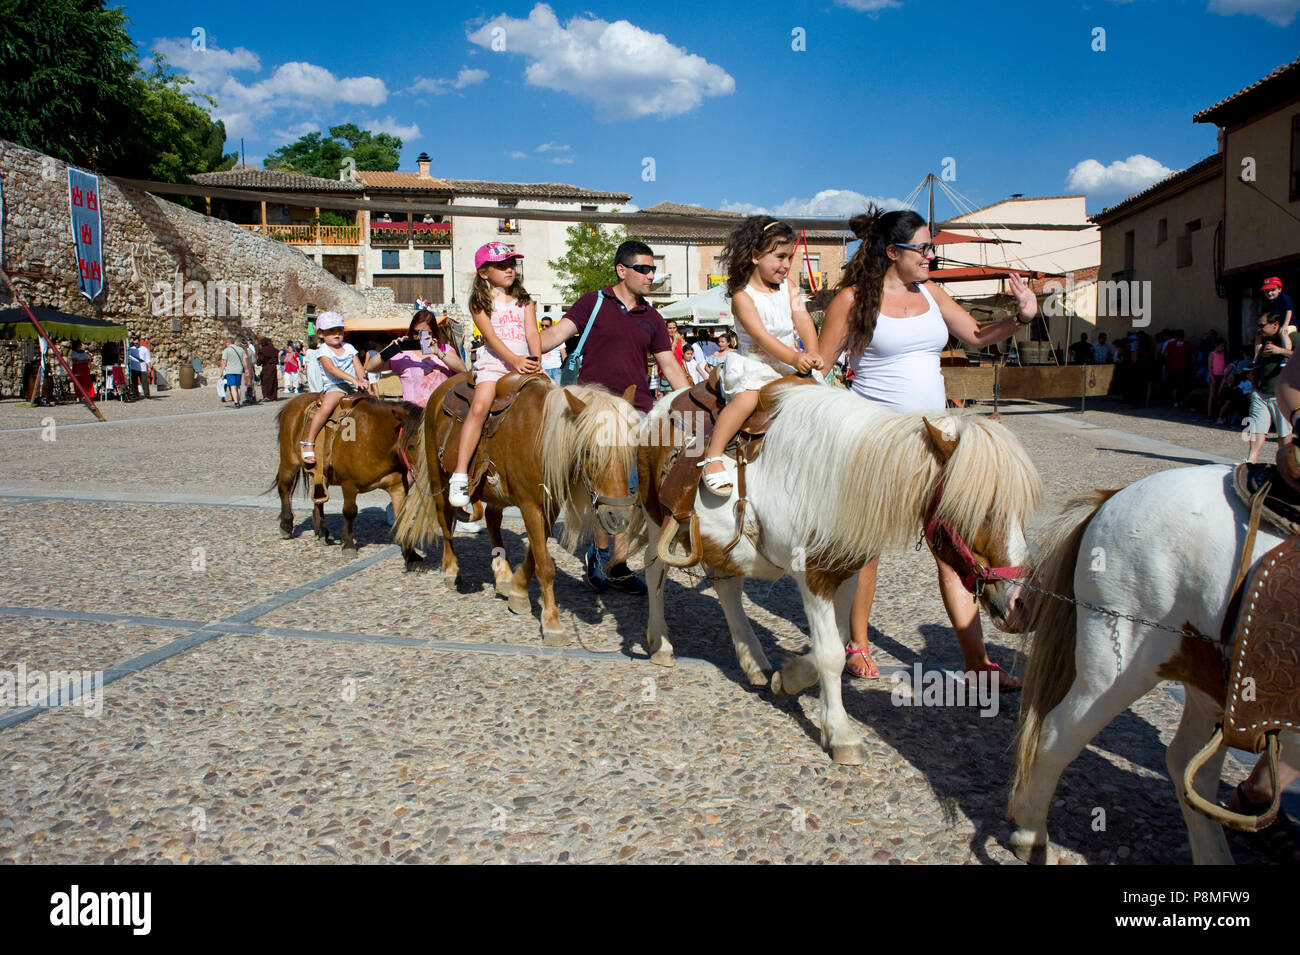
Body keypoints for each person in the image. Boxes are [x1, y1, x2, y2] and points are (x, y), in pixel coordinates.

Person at [817, 205, 1037, 687]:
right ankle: (856, 645)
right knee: (866, 548)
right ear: (893, 252)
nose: (932, 256)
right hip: (877, 441)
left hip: (939, 440)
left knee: (953, 547)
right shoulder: (852, 301)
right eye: (925, 248)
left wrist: (1019, 318)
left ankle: (978, 663)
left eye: (933, 247)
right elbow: (820, 365)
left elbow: (978, 335)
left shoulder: (932, 293)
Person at [537, 239, 690, 592]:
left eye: (654, 269)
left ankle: (616, 564)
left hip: (636, 410)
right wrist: (520, 341)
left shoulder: (652, 316)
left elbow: (669, 365)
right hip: (593, 412)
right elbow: (557, 335)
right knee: (610, 487)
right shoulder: (593, 303)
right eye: (645, 269)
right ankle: (600, 553)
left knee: (631, 489)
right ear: (622, 270)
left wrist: (689, 399)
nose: (652, 275)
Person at [700, 217, 823, 493]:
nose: (786, 264)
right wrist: (794, 358)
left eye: (789, 257)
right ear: (756, 256)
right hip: (755, 363)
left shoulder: (789, 288)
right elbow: (762, 338)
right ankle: (713, 455)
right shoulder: (743, 297)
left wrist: (813, 351)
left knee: (826, 396)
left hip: (789, 362)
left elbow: (803, 319)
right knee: (747, 399)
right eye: (779, 256)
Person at [448, 242, 541, 508]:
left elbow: (532, 332)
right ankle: (460, 473)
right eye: (501, 266)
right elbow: (490, 336)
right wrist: (513, 360)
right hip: (496, 364)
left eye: (511, 264)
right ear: (484, 273)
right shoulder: (480, 302)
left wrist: (536, 359)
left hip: (525, 362)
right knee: (479, 407)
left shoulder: (525, 300)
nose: (509, 269)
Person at [301, 312, 373, 465]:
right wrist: (353, 379)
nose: (337, 334)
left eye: (339, 330)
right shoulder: (323, 350)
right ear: (321, 333)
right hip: (335, 385)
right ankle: (309, 441)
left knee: (374, 403)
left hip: (353, 384)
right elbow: (331, 369)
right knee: (327, 407)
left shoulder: (349, 347)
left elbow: (357, 365)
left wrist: (362, 378)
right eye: (332, 330)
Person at [365, 309, 465, 406]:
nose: (418, 337)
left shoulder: (444, 349)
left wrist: (438, 352)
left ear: (433, 332)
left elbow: (462, 369)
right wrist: (390, 349)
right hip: (413, 416)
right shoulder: (404, 354)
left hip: (439, 416)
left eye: (424, 333)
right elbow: (370, 367)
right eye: (416, 332)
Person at [1244, 311, 1298, 464]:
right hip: (1261, 394)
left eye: (1262, 325)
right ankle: (1250, 462)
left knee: (1284, 434)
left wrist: (1280, 351)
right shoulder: (1262, 341)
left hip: (1281, 395)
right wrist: (1254, 388)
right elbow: (1256, 365)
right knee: (1257, 430)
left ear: (1275, 325)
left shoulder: (1291, 337)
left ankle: (1284, 464)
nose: (1258, 328)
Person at [1259, 276, 1293, 350]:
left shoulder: (1284, 297)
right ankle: (1255, 359)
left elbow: (1289, 311)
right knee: (1259, 335)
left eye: (1272, 290)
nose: (1269, 293)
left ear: (1279, 289)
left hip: (1289, 324)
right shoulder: (1267, 302)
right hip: (1276, 325)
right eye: (1266, 291)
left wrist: (1285, 325)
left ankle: (1286, 355)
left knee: (1283, 333)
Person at [538, 317, 566, 384]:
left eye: (546, 326)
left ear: (551, 326)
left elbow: (564, 355)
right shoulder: (537, 338)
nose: (544, 327)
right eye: (542, 325)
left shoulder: (558, 338)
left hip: (556, 368)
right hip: (543, 369)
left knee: (558, 391)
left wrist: (566, 369)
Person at [220, 337, 245, 407]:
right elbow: (244, 361)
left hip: (230, 370)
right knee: (238, 386)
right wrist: (246, 369)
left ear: (228, 343)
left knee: (232, 387)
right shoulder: (240, 349)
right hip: (239, 370)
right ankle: (239, 400)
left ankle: (236, 402)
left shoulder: (226, 350)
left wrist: (222, 371)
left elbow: (224, 362)